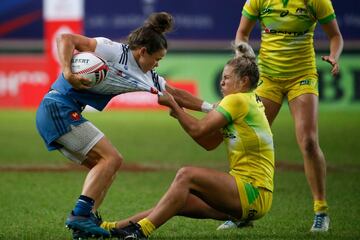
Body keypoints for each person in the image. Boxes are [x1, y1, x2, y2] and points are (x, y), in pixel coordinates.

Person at [35, 12, 214, 239]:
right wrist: (68, 72)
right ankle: (80, 215)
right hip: (57, 107)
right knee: (112, 159)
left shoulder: (149, 77)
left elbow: (176, 93)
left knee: (106, 169)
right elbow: (65, 39)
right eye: (156, 59)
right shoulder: (113, 50)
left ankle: (85, 225)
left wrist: (211, 107)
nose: (157, 65)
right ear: (142, 52)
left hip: (61, 111)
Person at [106, 48, 275, 240]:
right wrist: (179, 113)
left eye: (226, 78)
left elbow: (199, 130)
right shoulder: (247, 101)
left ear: (244, 81)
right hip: (253, 198)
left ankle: (141, 232)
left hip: (251, 192)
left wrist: (176, 108)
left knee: (186, 174)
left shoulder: (236, 101)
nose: (222, 82)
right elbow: (208, 143)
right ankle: (111, 228)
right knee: (177, 202)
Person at [217, 0, 343, 232]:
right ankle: (241, 211)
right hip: (267, 78)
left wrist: (335, 55)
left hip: (302, 76)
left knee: (308, 141)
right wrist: (242, 50)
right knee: (246, 137)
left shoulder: (317, 1)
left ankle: (321, 211)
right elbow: (242, 34)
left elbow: (335, 36)